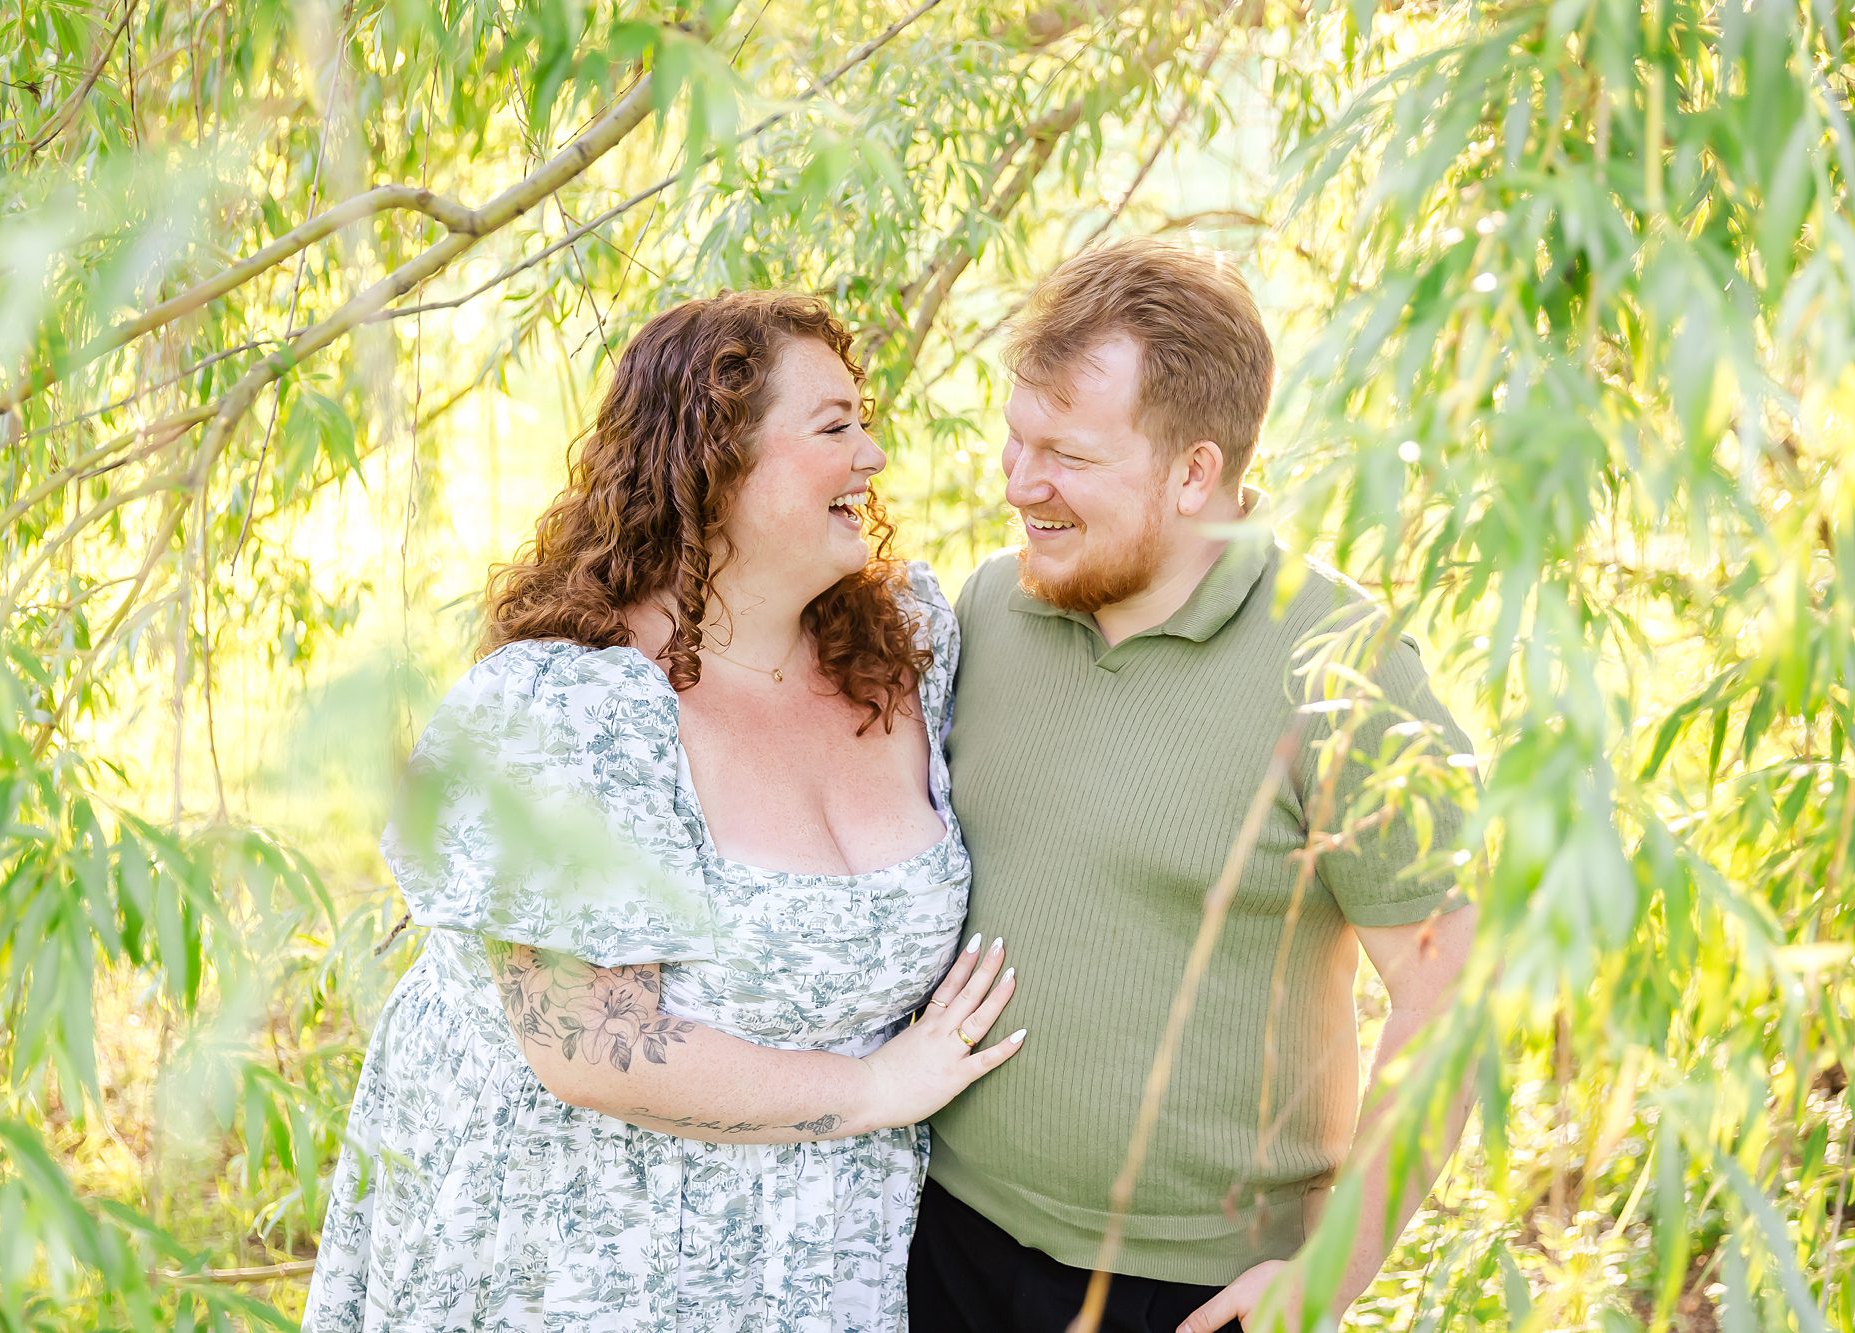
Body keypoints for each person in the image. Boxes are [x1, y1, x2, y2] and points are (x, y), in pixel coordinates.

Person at [304, 291, 1025, 1333]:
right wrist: (874, 1087)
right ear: (713, 461)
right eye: (834, 426)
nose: (871, 455)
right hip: (589, 1255)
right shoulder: (564, 707)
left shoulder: (907, 644)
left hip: (824, 1265)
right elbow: (586, 1045)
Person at [908, 240, 1478, 1333]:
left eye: (1066, 456)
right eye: (1015, 439)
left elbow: (1450, 987)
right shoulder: (986, 608)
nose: (1019, 484)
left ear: (1191, 471)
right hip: (944, 1242)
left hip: (1187, 1296)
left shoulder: (1336, 663)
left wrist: (1335, 1267)